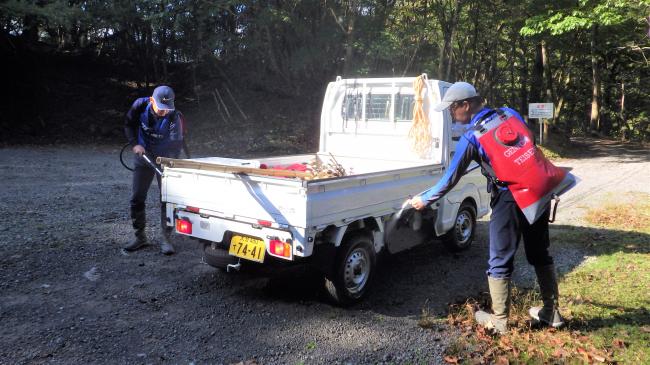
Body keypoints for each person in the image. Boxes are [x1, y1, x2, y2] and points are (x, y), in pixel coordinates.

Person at [409, 82, 565, 334]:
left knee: (499, 258)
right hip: (539, 189)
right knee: (539, 251)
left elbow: (450, 179)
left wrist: (424, 199)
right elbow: (529, 141)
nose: (450, 114)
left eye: (451, 109)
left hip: (509, 197)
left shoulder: (472, 136)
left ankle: (500, 320)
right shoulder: (509, 113)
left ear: (465, 105)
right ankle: (552, 311)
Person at [123, 85, 185, 255]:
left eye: (167, 109)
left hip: (164, 160)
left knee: (166, 200)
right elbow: (128, 124)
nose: (164, 112)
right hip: (143, 156)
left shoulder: (174, 116)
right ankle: (140, 237)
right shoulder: (140, 105)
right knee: (137, 197)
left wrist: (167, 162)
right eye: (160, 108)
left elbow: (176, 144)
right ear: (152, 100)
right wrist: (135, 144)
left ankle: (166, 238)